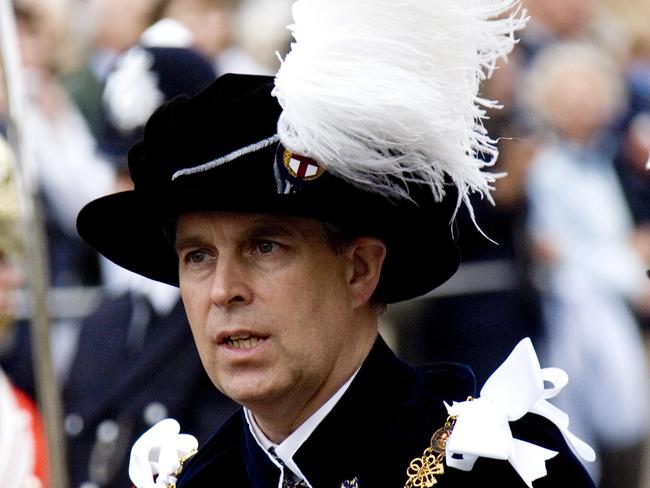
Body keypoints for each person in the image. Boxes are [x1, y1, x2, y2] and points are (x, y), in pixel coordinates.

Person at [77, 1, 596, 486]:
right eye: (198, 256)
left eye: (265, 248)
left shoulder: (493, 467)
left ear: (359, 271)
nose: (224, 290)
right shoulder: (199, 477)